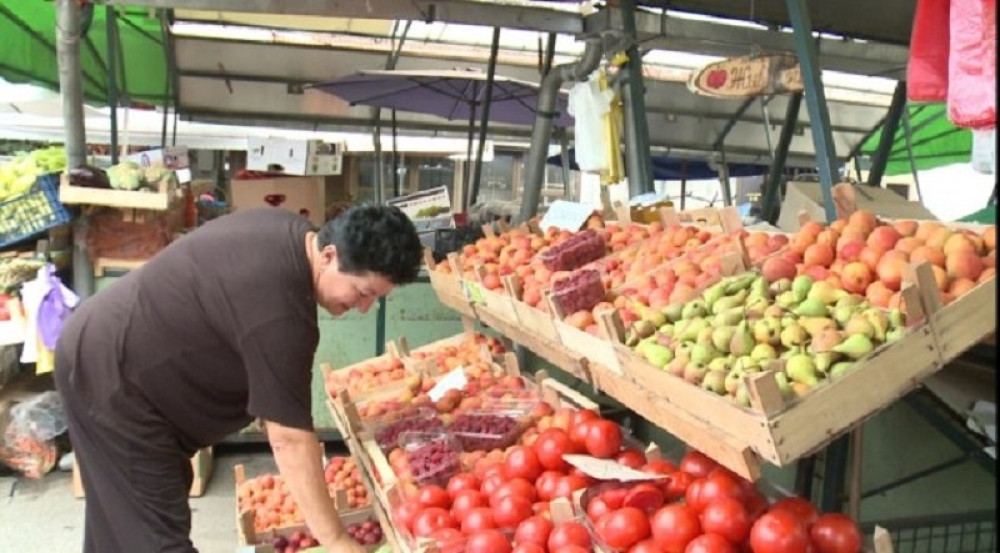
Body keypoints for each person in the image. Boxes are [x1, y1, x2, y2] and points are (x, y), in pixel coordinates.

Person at [54, 205, 424, 553]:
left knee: (122, 521)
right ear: (329, 255)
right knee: (156, 537)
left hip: (106, 355)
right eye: (362, 292)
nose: (362, 308)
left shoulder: (288, 232)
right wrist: (336, 540)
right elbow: (289, 440)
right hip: (115, 382)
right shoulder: (282, 313)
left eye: (375, 299)